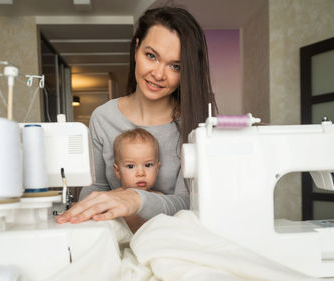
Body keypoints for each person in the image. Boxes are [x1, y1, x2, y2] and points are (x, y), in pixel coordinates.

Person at [56, 6, 217, 230]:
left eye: (175, 66)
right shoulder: (103, 119)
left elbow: (187, 204)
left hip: (172, 238)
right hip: (116, 237)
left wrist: (134, 198)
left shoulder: (195, 125)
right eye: (151, 56)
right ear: (136, 48)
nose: (159, 74)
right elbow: (93, 192)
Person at [113, 128, 161, 192]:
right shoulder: (112, 197)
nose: (141, 173)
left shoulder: (161, 199)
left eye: (148, 165)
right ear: (117, 171)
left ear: (157, 168)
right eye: (131, 166)